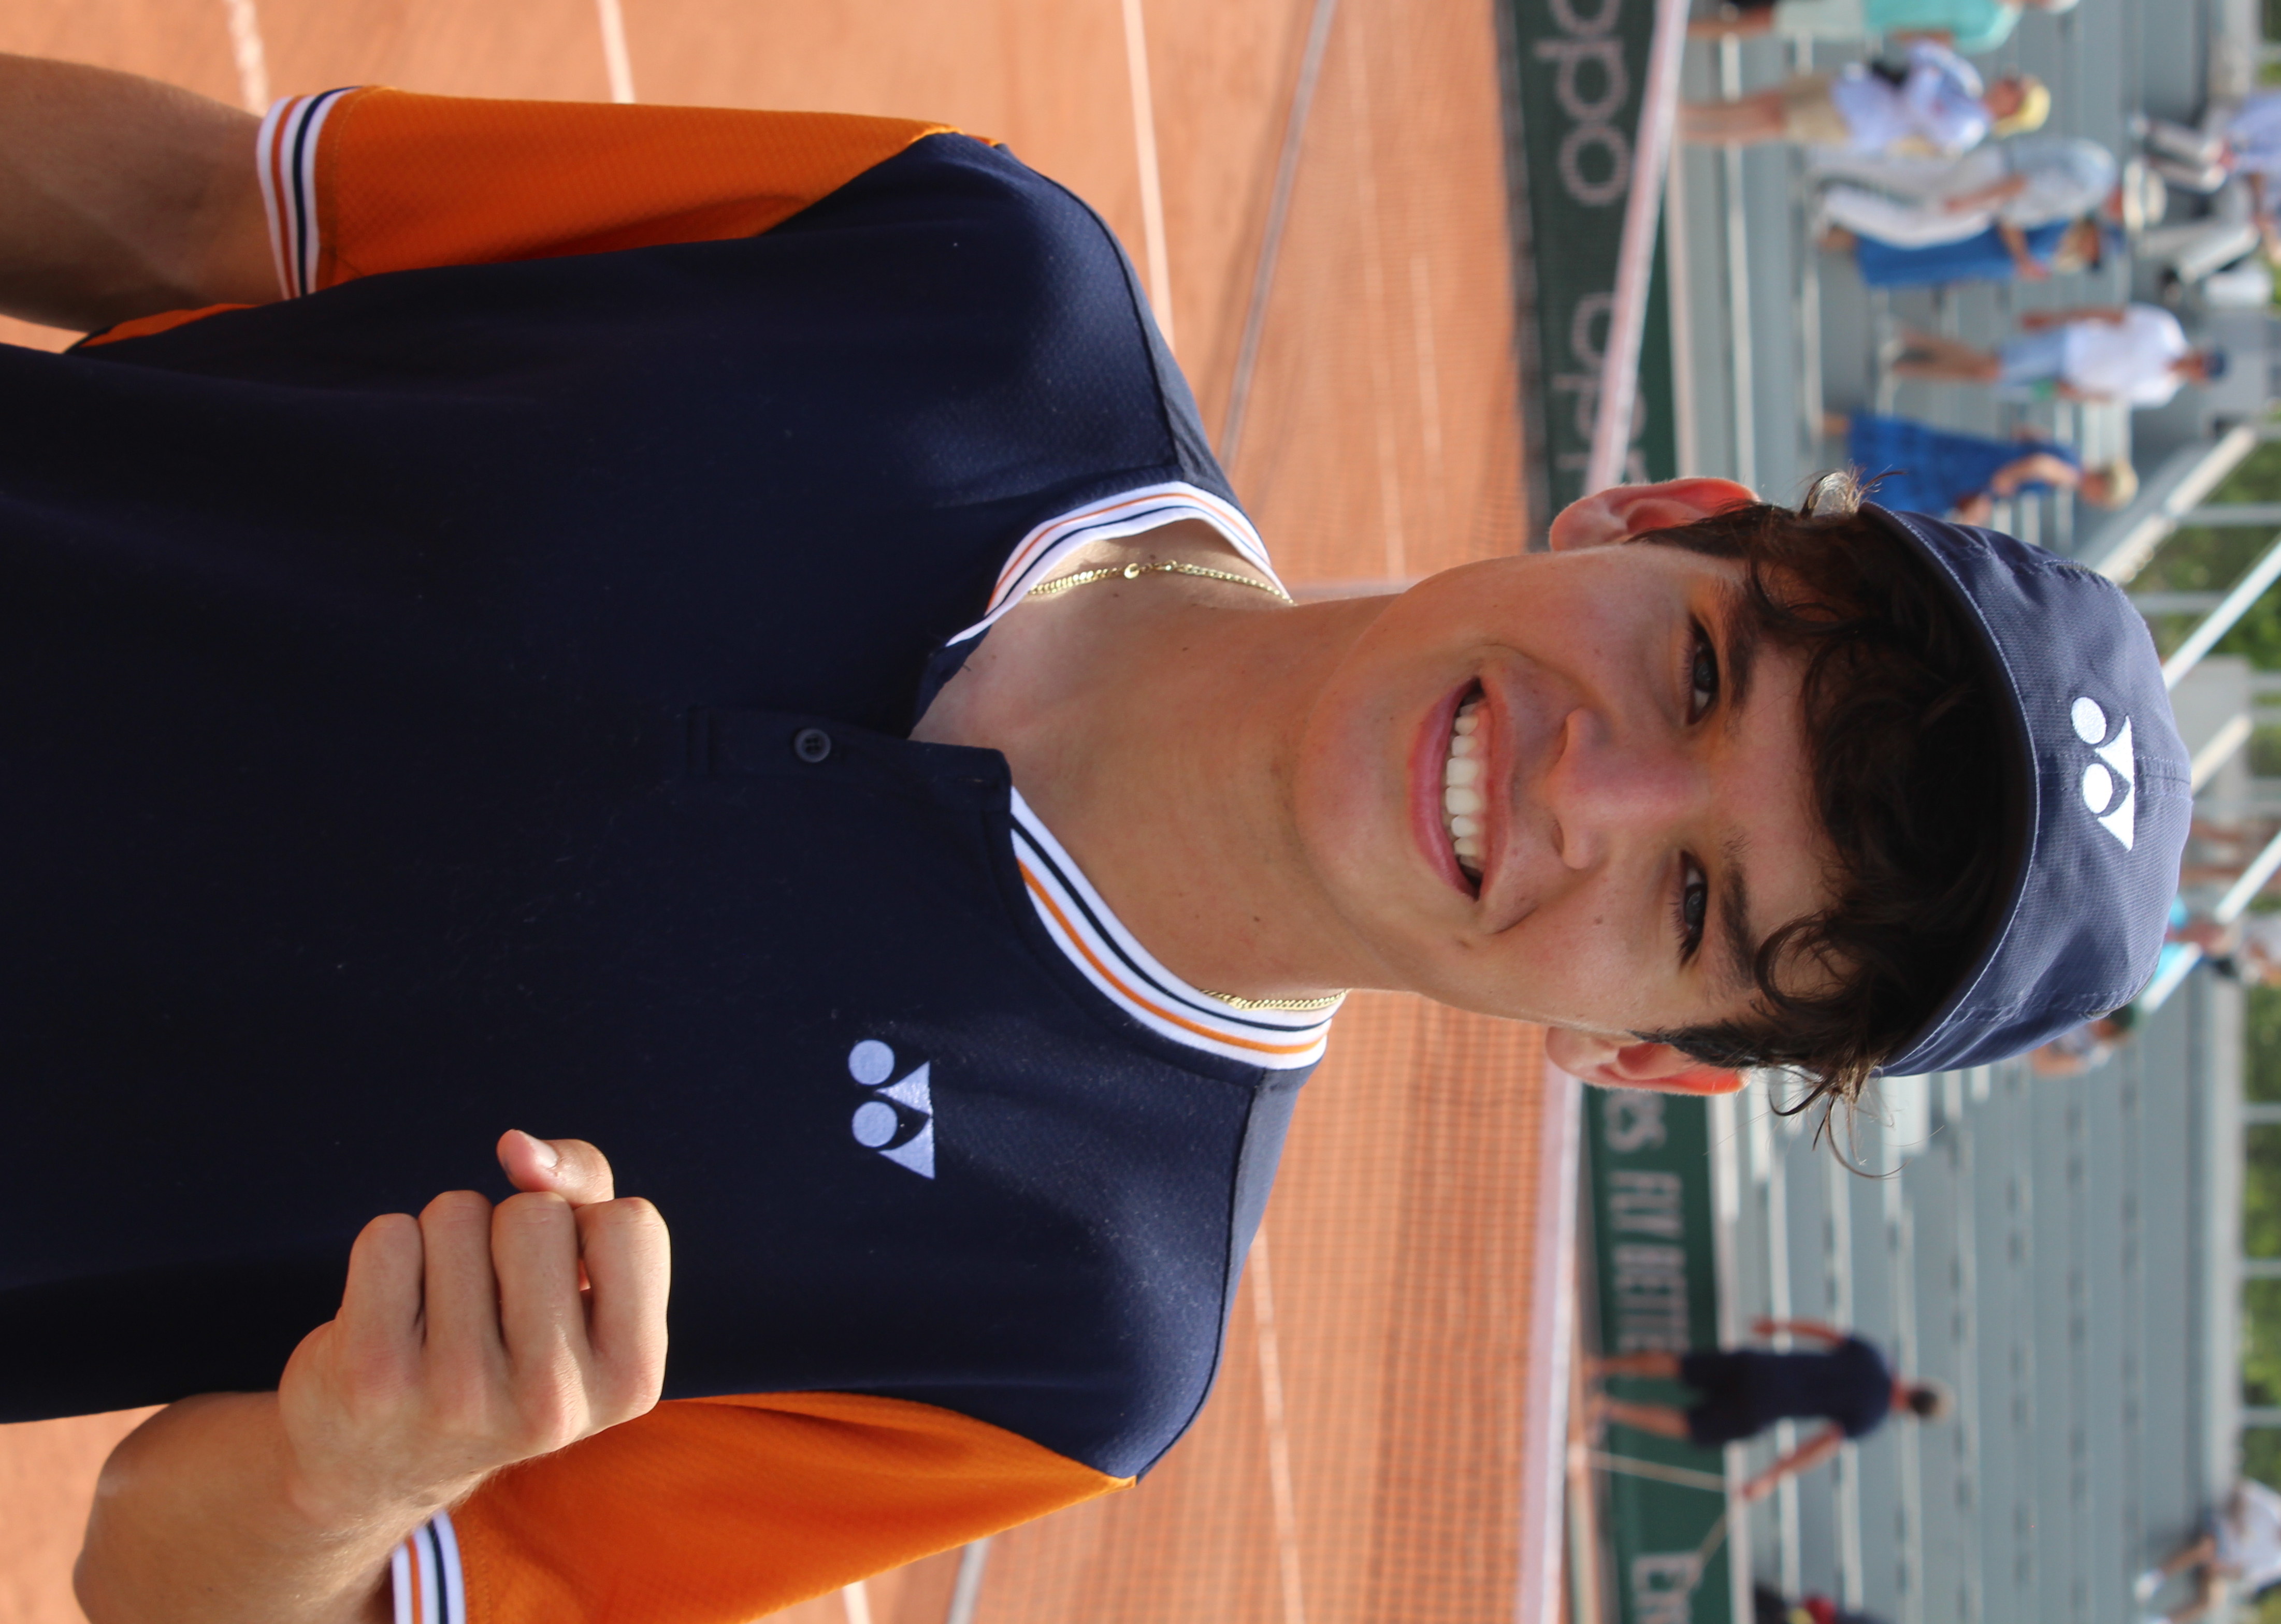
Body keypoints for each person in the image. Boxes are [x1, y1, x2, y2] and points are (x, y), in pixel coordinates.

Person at [1, 54, 2192, 1624]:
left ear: (1652, 1059)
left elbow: (167, 1579)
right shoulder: (970, 268)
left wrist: (350, 1466)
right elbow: (198, 213)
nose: (1581, 786)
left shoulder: (1065, 1323)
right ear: (1654, 517)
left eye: (1692, 898)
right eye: (1698, 676)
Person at [1588, 1320, 1951, 1502]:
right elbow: (1819, 1446)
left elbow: (1824, 1332)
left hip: (1761, 1367)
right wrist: (1771, 1476)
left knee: (1681, 1365)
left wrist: (1778, 1326)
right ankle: (1610, 1409)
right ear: (1911, 1413)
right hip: (1764, 1407)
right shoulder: (1871, 1418)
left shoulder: (1876, 1359)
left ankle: (1602, 1366)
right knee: (1690, 1424)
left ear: (1918, 1384)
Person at [1681, 42, 2047, 154]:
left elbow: (1916, 105)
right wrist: (1926, 75)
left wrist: (1925, 77)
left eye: (2015, 89)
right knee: (1770, 100)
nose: (2007, 83)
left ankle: (1692, 132)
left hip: (1860, 119)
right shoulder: (1966, 80)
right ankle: (1692, 111)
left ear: (2013, 108)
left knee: (1772, 122)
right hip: (1855, 88)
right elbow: (1923, 53)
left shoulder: (1965, 129)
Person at [1813, 134, 2120, 251]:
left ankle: (1826, 158)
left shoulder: (2099, 160)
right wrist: (1974, 201)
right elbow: (2026, 183)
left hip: (1993, 163)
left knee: (1907, 174)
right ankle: (1834, 202)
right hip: (1993, 190)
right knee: (1912, 227)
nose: (2117, 217)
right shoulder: (2090, 188)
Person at [1890, 304, 2226, 407]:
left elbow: (2111, 396)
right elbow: (2108, 314)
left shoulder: (2161, 392)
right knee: (1989, 368)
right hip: (2071, 345)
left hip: (2066, 381)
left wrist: (2075, 394)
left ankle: (1909, 363)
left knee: (1981, 374)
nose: (2197, 365)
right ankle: (1910, 344)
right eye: (2203, 360)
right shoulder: (2164, 329)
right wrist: (2056, 317)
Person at [1829, 410, 2134, 520]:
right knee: (1920, 472)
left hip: (1984, 454)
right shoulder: (2070, 475)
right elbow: (2039, 464)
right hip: (1979, 473)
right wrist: (2005, 479)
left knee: (1922, 445)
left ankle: (1834, 426)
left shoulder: (2071, 452)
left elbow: (2027, 434)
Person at [1822, 213, 2101, 288]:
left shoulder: (2062, 254)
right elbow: (2011, 217)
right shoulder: (2059, 223)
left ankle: (1833, 239)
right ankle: (1828, 235)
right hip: (1971, 239)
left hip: (1968, 260)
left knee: (1906, 256)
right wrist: (2021, 257)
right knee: (1896, 239)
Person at [2133, 1481, 2281, 1621]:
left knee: (2211, 1602)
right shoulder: (2274, 1508)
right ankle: (2156, 1577)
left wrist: (2222, 1570)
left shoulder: (2276, 1563)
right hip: (2219, 1531)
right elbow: (2241, 1490)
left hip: (2223, 1563)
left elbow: (2245, 1575)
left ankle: (2162, 1621)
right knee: (2205, 1549)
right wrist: (2239, 1520)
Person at [1689, 0, 2077, 53]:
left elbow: (1930, 41)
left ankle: (1678, 33)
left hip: (1865, 14)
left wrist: (1888, 24)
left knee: (1768, 21)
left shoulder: (1992, 29)